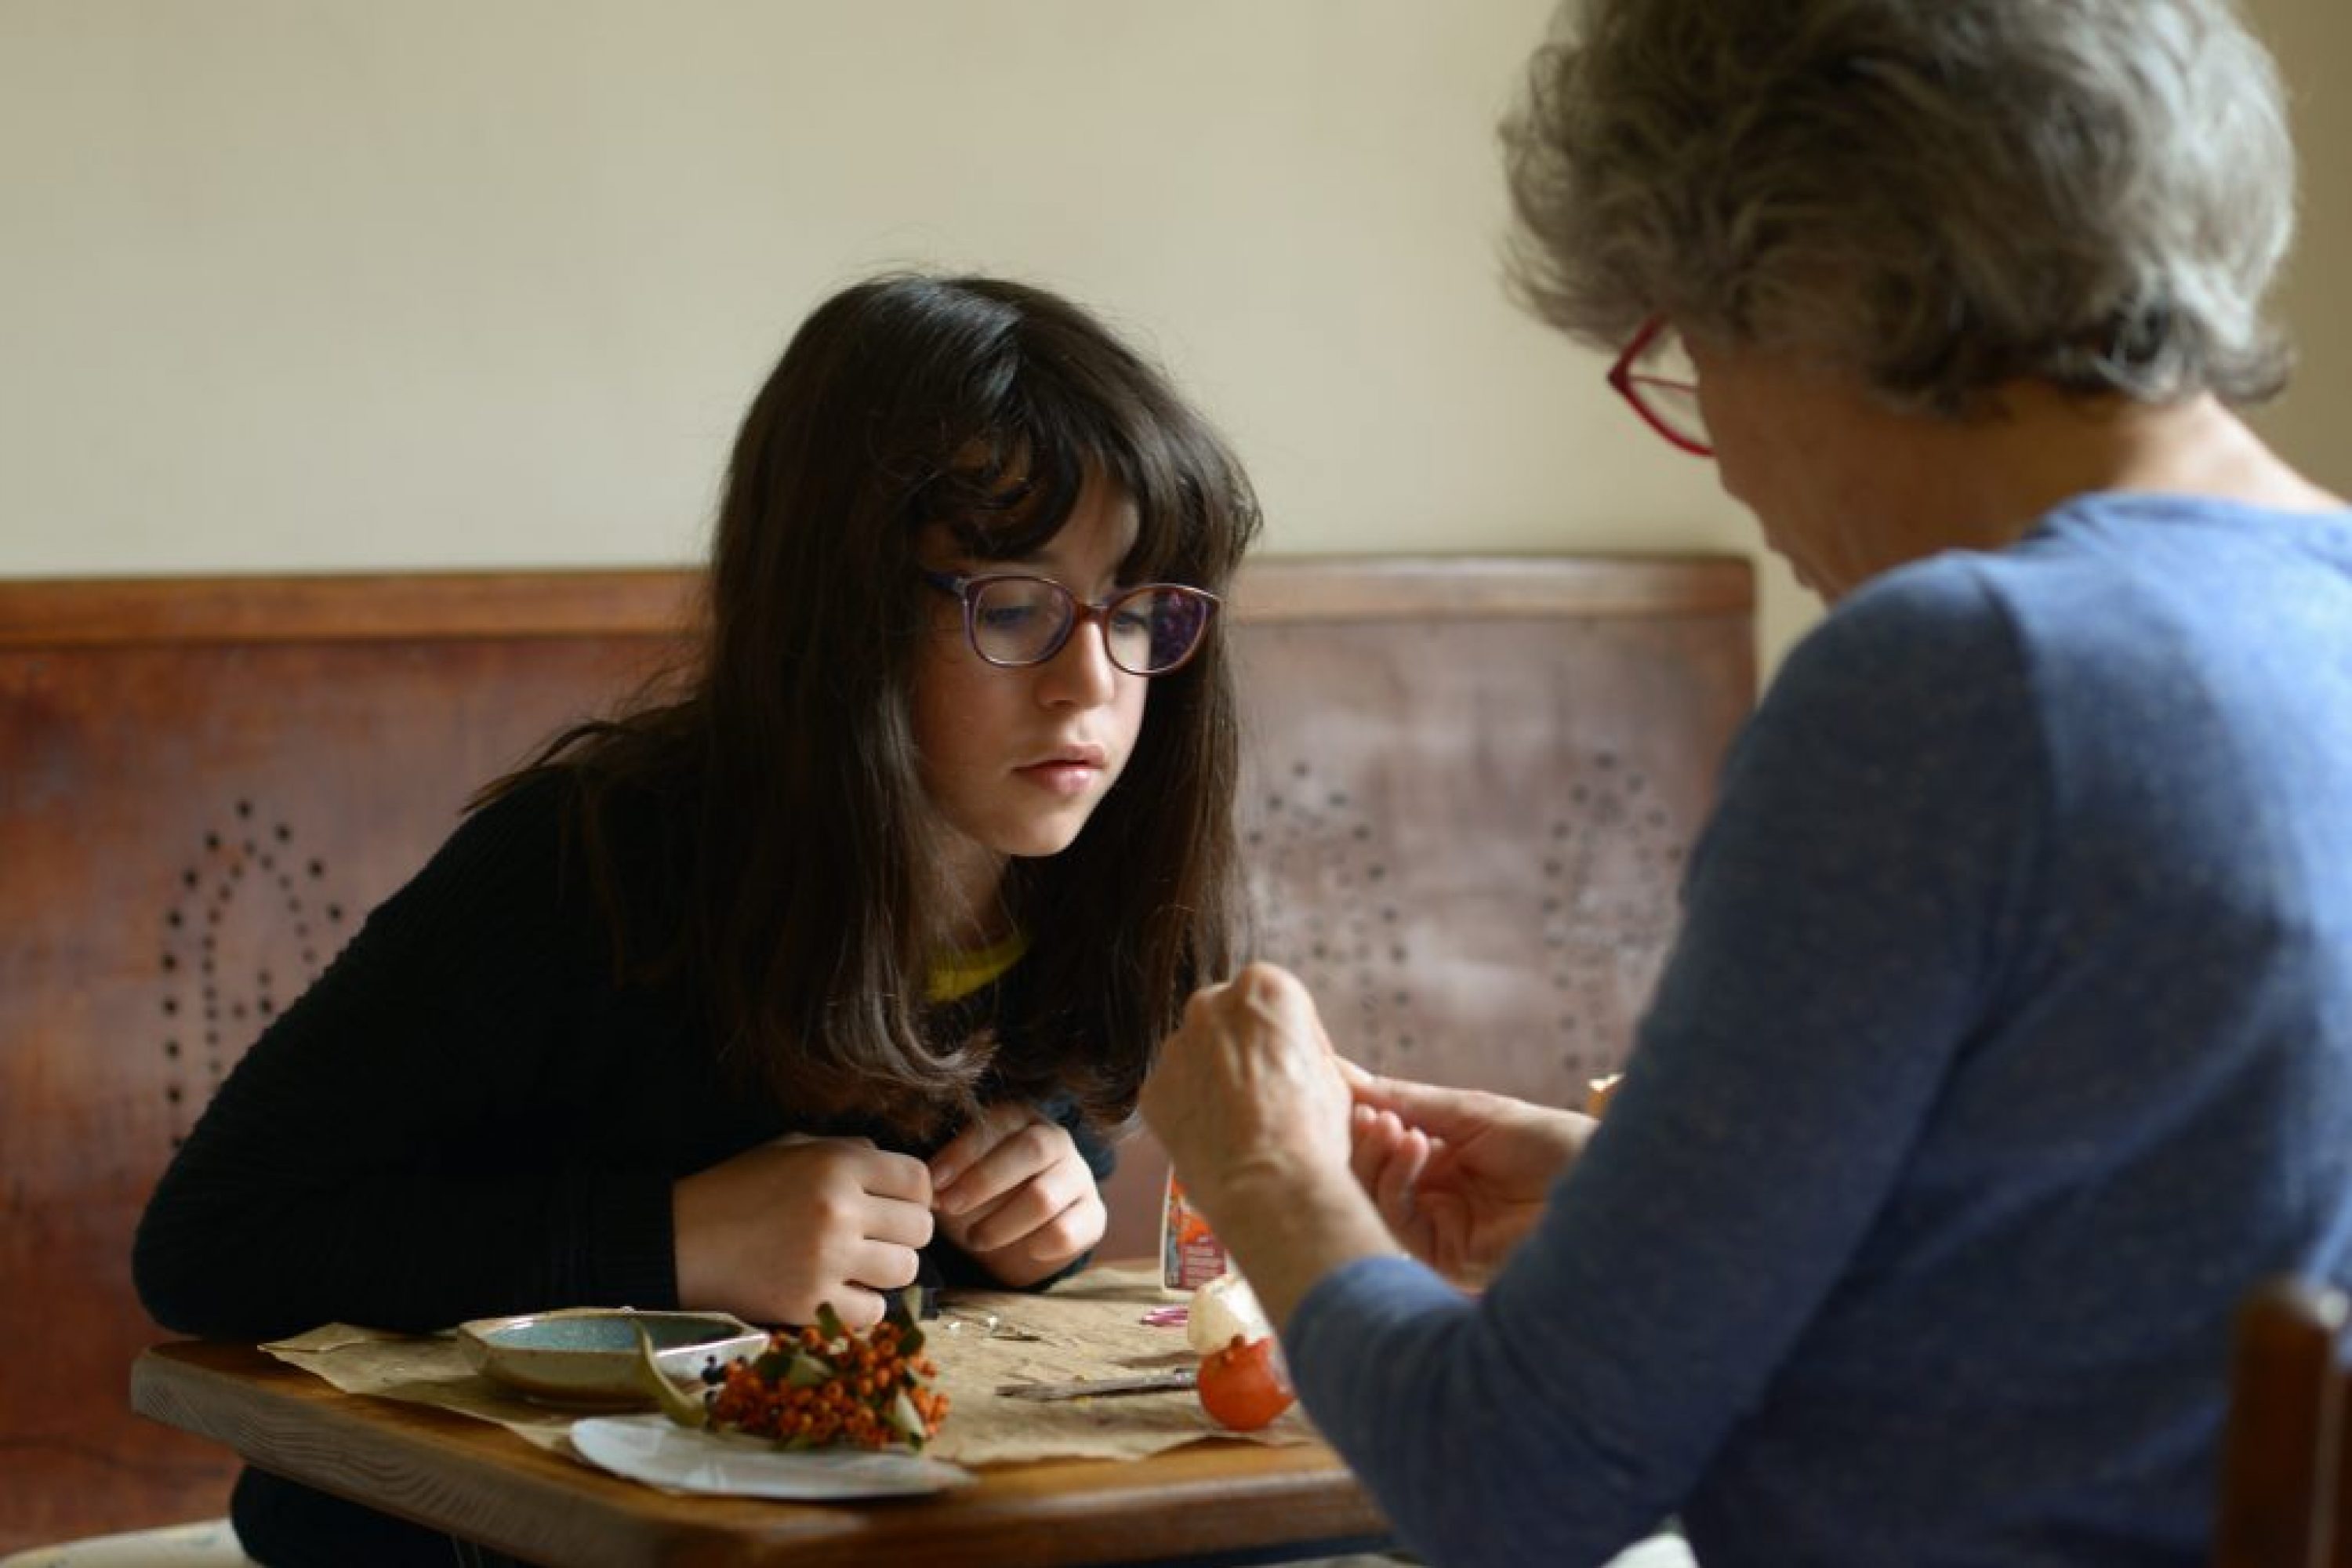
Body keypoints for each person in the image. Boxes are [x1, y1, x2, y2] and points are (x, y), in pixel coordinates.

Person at [1140, 2, 2352, 1564]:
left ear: (1820, 280)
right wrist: (1645, 1211)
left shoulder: (1960, 677)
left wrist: (1264, 1170)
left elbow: (1511, 1481)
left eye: (1687, 354)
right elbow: (2129, 1280)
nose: (1719, 459)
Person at [133, 272, 1261, 1565]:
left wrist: (1044, 1191)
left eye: (1138, 611)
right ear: (840, 613)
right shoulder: (583, 867)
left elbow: (949, 1220)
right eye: (1012, 605)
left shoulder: (1097, 876)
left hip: (819, 1523)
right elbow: (214, 1241)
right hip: (456, 1538)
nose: (1091, 684)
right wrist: (670, 1241)